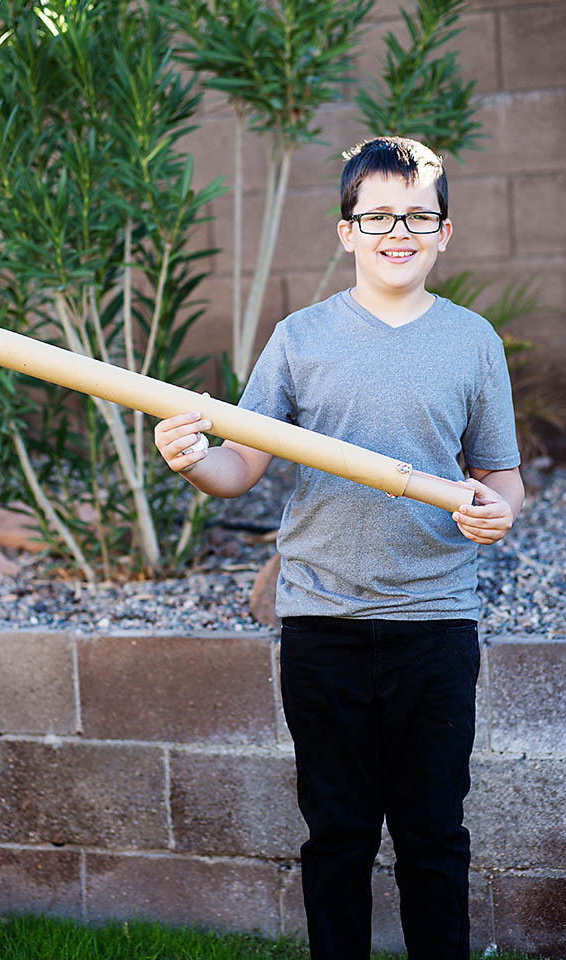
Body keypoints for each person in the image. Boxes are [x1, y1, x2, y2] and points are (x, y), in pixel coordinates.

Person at [154, 136, 524, 960]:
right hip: (323, 622)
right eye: (379, 215)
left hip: (435, 622)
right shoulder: (300, 338)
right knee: (339, 833)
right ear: (346, 230)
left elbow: (500, 475)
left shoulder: (472, 342)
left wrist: (497, 512)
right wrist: (192, 458)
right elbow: (241, 464)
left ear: (445, 231)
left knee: (433, 833)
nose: (400, 230)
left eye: (419, 216)